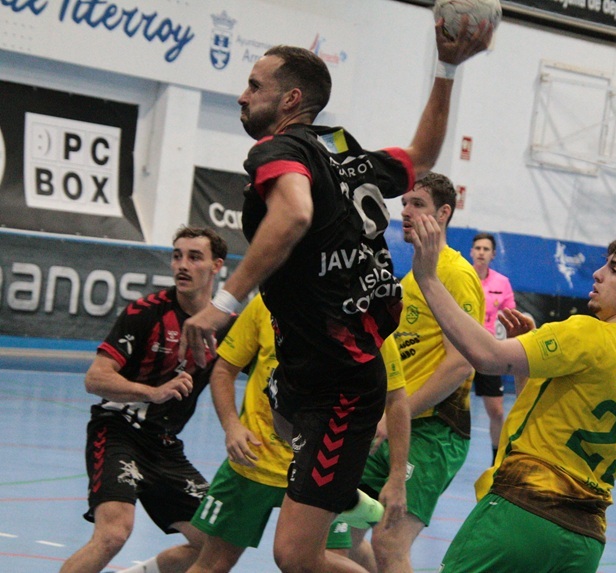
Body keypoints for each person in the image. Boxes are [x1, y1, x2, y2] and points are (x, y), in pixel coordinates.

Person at [178, 17, 494, 573]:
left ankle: (346, 492)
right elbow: (421, 153)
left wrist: (223, 303)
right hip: (308, 368)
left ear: (290, 100)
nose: (243, 95)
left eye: (255, 86)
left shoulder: (280, 150)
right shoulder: (342, 155)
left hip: (341, 384)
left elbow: (295, 212)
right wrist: (446, 70)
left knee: (296, 556)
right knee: (281, 430)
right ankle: (347, 493)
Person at [408, 218, 616, 573]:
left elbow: (487, 356)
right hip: (583, 543)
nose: (598, 274)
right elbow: (557, 419)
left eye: (615, 269)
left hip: (522, 515)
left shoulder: (591, 334)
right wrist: (527, 368)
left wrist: (428, 278)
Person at [126, 294, 408, 573]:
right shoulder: (266, 303)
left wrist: (397, 475)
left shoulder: (363, 315)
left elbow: (396, 398)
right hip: (254, 461)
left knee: (316, 563)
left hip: (323, 469)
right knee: (213, 562)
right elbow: (224, 370)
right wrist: (232, 426)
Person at [60, 227, 231, 573]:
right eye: (177, 255)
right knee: (113, 533)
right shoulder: (146, 313)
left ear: (216, 267)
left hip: (165, 447)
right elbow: (95, 378)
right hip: (118, 433)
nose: (182, 265)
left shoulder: (227, 326)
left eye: (194, 257)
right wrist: (152, 393)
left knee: (218, 544)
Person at [350, 173, 485, 572]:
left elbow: (461, 363)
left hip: (434, 431)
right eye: (404, 203)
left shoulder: (455, 274)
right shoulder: (411, 277)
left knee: (390, 542)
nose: (405, 211)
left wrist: (397, 416)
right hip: (395, 425)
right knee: (340, 533)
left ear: (444, 213)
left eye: (418, 204)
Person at [469, 232, 516, 463]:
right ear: (471, 252)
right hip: (460, 349)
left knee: (496, 412)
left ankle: (496, 461)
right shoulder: (461, 277)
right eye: (477, 248)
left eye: (486, 249)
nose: (481, 252)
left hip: (488, 352)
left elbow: (511, 316)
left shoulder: (502, 283)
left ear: (493, 254)